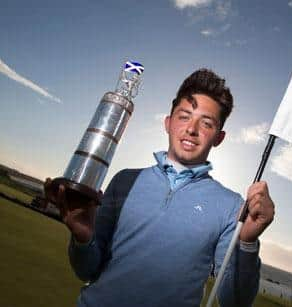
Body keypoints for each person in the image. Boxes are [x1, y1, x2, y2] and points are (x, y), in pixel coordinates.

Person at [52, 69, 275, 307]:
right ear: (168, 123)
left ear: (218, 138)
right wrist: (83, 237)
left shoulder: (232, 208)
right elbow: (86, 270)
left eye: (206, 123)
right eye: (184, 116)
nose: (192, 129)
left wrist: (248, 242)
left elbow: (235, 302)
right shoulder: (124, 181)